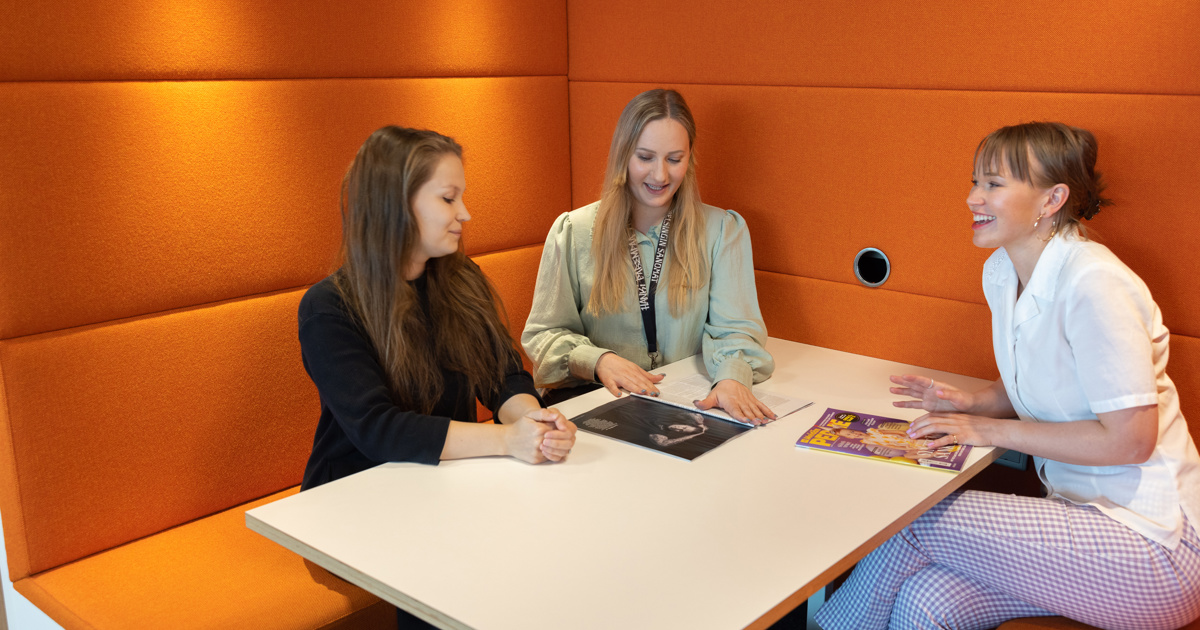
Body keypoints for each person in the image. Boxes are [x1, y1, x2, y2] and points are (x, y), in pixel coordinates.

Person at [815, 122, 1200, 630]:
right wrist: (972, 403)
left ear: (1052, 199)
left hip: (1154, 543)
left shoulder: (1095, 283)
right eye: (975, 182)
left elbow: (1130, 441)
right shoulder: (1002, 271)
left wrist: (989, 429)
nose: (973, 198)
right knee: (925, 601)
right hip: (1078, 517)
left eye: (993, 184)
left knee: (910, 522)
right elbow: (1039, 383)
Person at [298, 126, 576, 494]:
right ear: (395, 204)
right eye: (448, 199)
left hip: (445, 483)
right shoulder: (329, 307)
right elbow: (378, 429)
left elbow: (503, 376)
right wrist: (509, 440)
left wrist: (534, 422)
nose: (465, 213)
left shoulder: (462, 278)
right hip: (353, 494)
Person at [522, 88, 776, 424]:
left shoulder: (722, 231)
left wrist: (731, 378)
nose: (660, 175)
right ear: (623, 156)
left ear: (689, 159)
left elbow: (736, 330)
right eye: (645, 157)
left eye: (674, 159)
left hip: (682, 406)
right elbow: (544, 335)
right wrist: (599, 360)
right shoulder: (573, 231)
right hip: (597, 402)